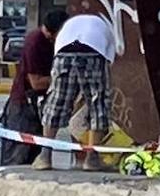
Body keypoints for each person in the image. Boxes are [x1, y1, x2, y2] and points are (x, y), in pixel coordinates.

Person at [33, 12, 116, 171]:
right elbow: (107, 65)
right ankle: (91, 159)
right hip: (94, 52)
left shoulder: (68, 27)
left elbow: (58, 59)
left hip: (64, 52)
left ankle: (45, 156)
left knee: (56, 102)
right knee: (98, 105)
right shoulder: (107, 32)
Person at [0, 11, 65, 166]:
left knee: (33, 154)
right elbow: (36, 82)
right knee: (18, 155)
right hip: (23, 106)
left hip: (37, 106)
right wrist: (60, 79)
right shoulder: (35, 42)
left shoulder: (53, 45)